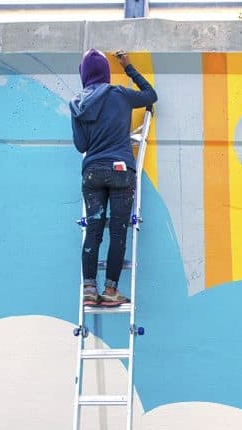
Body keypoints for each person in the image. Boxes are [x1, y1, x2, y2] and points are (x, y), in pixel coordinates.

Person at [70, 49, 157, 307]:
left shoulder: (78, 104)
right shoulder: (119, 94)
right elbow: (151, 96)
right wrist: (129, 67)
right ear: (106, 73)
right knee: (118, 233)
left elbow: (81, 144)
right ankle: (110, 290)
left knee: (93, 231)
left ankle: (88, 288)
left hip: (93, 173)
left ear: (84, 75)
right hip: (121, 171)